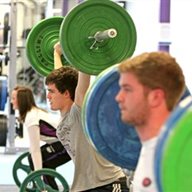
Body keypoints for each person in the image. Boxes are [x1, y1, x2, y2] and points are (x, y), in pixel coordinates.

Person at [44, 42, 129, 192]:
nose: (48, 96)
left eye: (51, 92)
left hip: (109, 184)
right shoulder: (65, 115)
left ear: (66, 94)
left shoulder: (78, 111)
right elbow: (60, 80)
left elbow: (82, 79)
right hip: (85, 186)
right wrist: (57, 53)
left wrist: (85, 47)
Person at [115, 51, 185, 192]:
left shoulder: (177, 158)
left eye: (127, 90)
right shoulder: (149, 149)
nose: (118, 97)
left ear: (155, 97)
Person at [11, 86, 71, 189]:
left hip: (68, 144)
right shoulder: (33, 112)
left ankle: (44, 189)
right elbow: (33, 152)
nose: (11, 101)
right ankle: (40, 187)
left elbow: (35, 149)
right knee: (33, 159)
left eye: (13, 98)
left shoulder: (31, 117)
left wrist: (38, 175)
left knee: (43, 163)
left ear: (21, 101)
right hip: (60, 142)